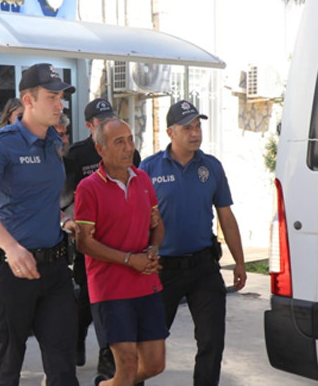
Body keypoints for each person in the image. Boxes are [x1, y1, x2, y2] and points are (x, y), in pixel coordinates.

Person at [0, 63, 79, 385]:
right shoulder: (0, 144)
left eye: (61, 97)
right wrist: (12, 248)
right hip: (9, 273)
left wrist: (62, 219)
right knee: (7, 368)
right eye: (52, 97)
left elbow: (38, 198)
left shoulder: (53, 142)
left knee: (63, 369)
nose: (60, 104)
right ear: (28, 100)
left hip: (54, 269)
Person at [139, 100, 247, 386]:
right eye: (187, 128)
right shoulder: (148, 168)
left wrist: (239, 261)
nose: (195, 133)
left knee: (212, 340)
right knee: (148, 342)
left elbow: (226, 216)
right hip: (162, 269)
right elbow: (134, 218)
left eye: (198, 126)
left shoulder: (211, 167)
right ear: (170, 132)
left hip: (203, 267)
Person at [74, 118, 167, 386]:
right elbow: (84, 243)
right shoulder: (88, 187)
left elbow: (157, 224)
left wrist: (153, 249)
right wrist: (129, 260)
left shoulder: (143, 179)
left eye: (130, 140)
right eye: (119, 142)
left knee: (155, 365)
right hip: (110, 289)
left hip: (146, 283)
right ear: (100, 149)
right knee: (126, 365)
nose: (128, 148)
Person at [61, 98, 141, 376]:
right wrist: (72, 224)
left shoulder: (129, 151)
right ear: (89, 125)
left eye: (110, 117)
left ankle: (109, 358)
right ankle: (78, 336)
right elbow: (65, 197)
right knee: (87, 299)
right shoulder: (77, 154)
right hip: (91, 240)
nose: (107, 123)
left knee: (118, 304)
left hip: (123, 239)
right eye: (100, 120)